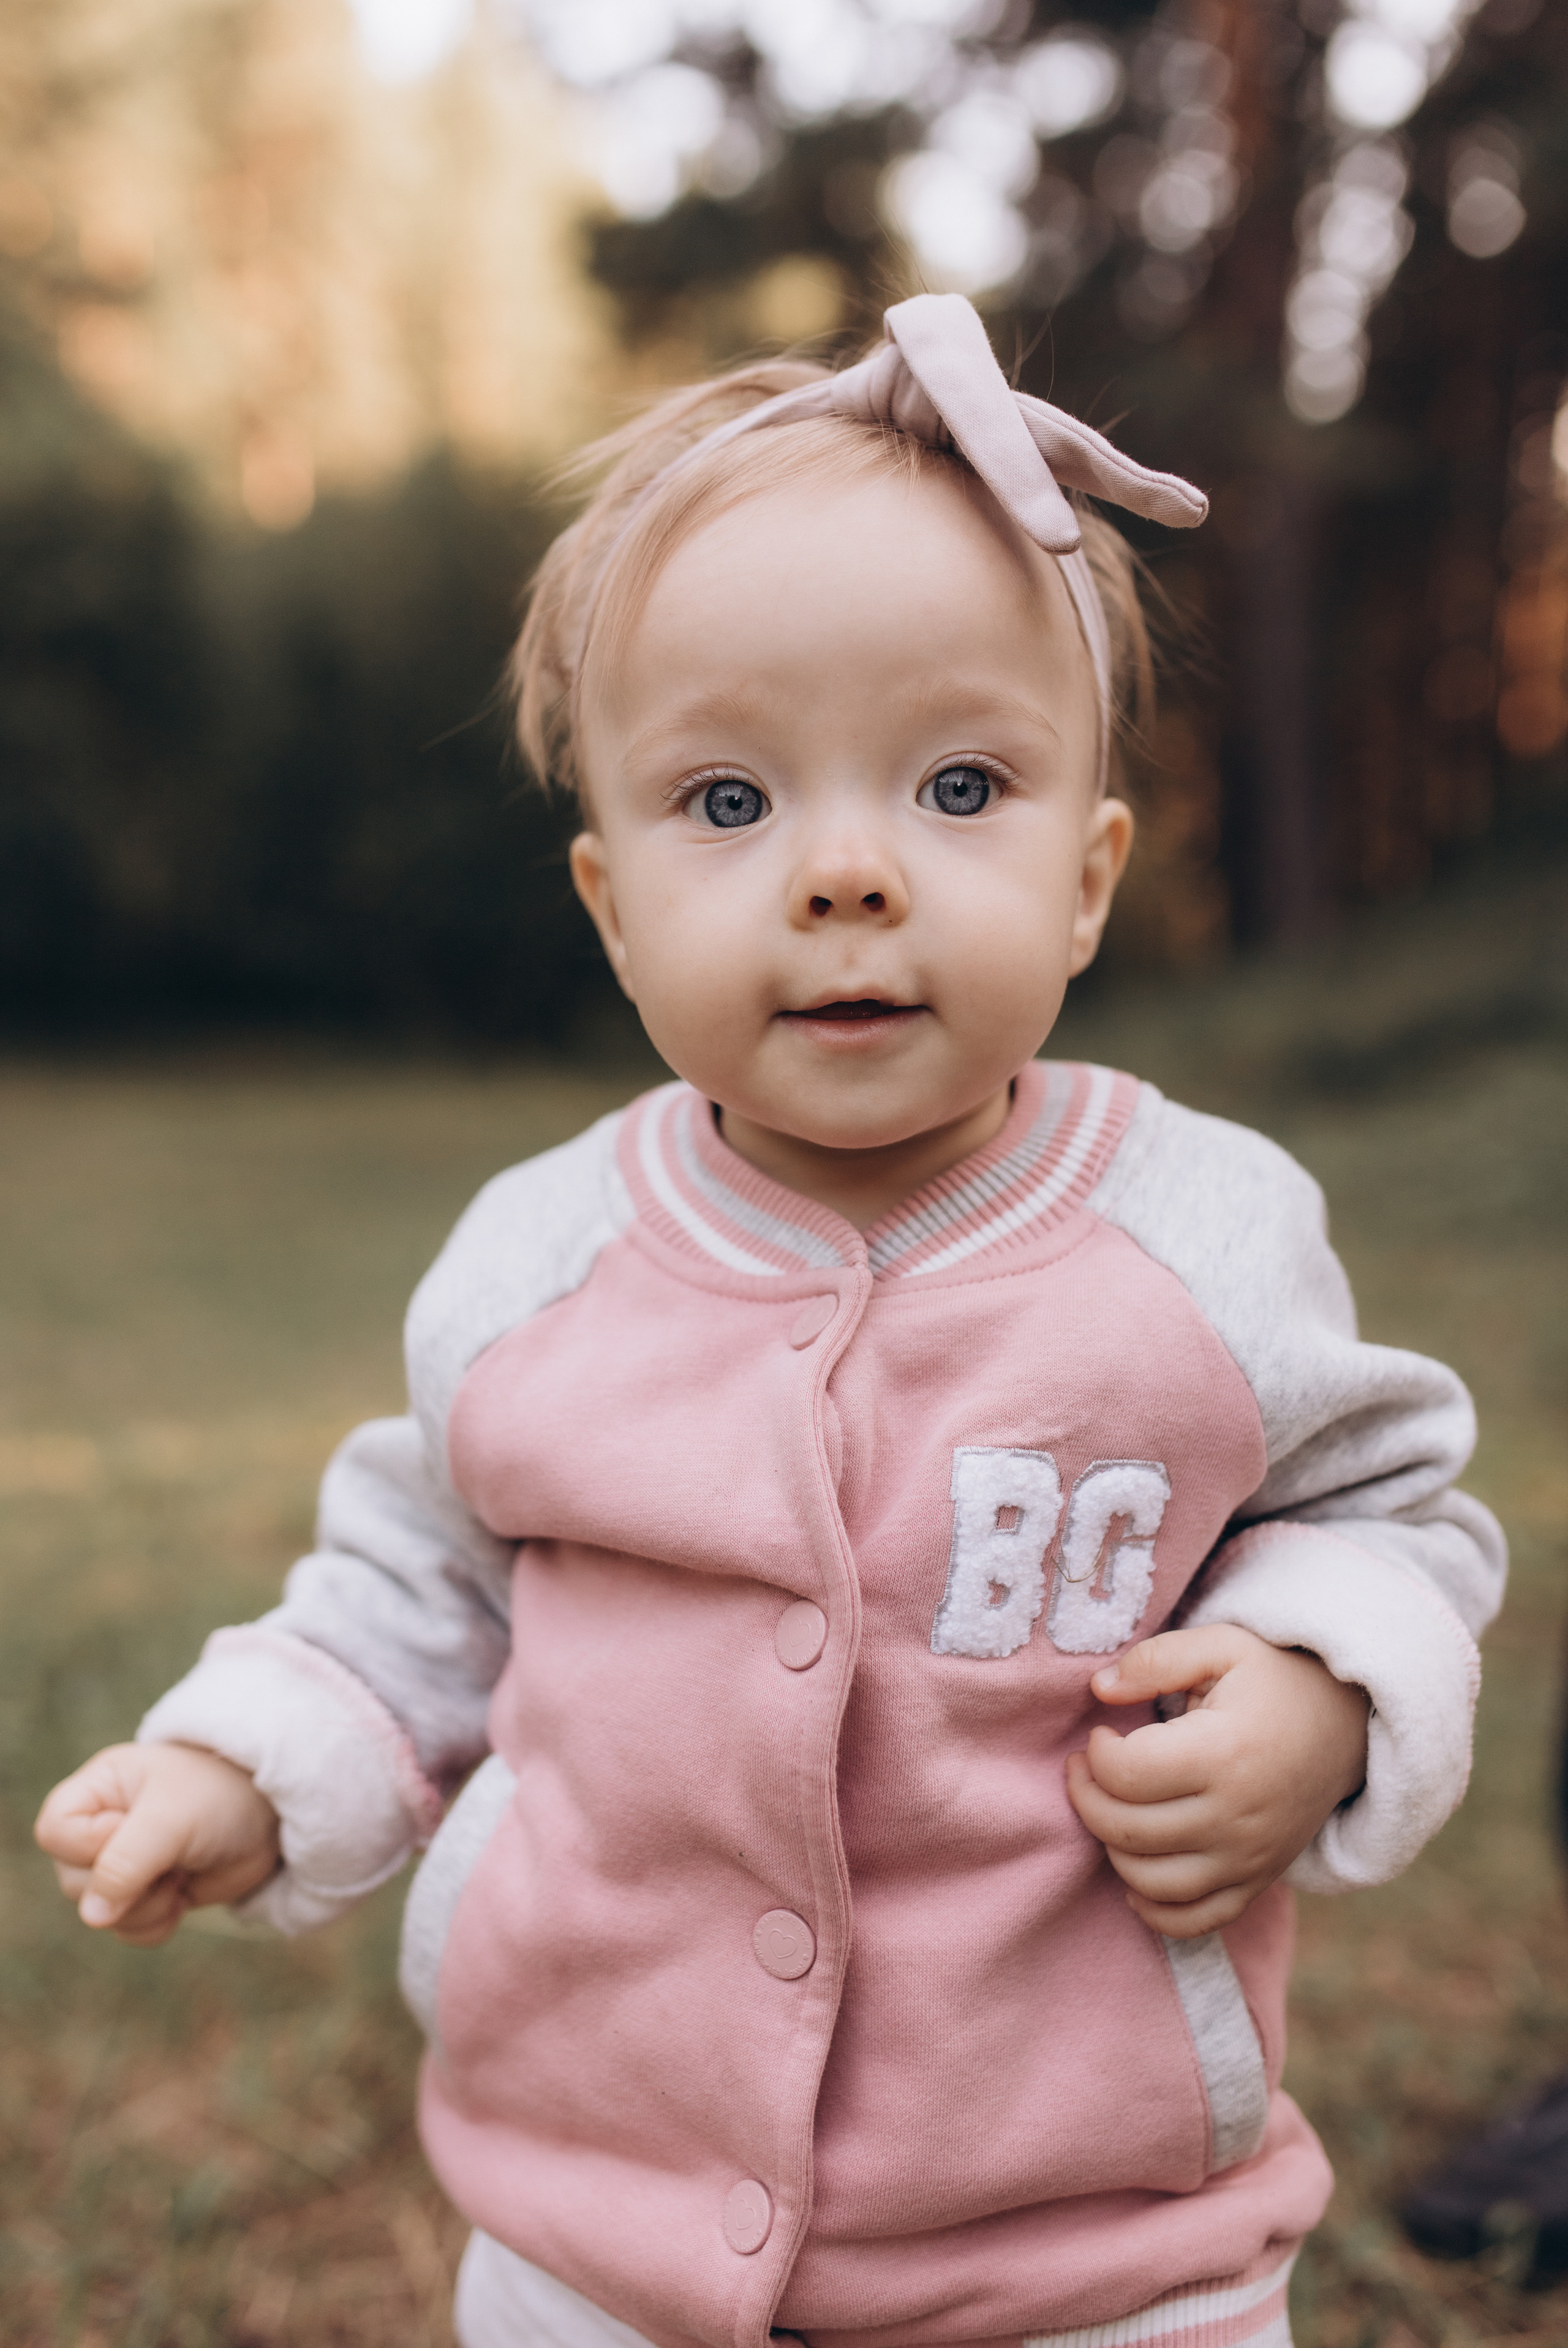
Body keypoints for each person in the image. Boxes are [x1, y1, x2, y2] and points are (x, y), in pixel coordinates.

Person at [36, 295, 1506, 2348]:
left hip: (1088, 2247)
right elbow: (413, 1595)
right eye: (728, 804)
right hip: (601, 2225)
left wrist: (1324, 1682)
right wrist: (251, 1764)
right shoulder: (541, 1262)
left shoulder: (1200, 1237)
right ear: (612, 902)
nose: (841, 874)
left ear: (1090, 883)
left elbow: (1398, 1519)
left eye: (958, 783)